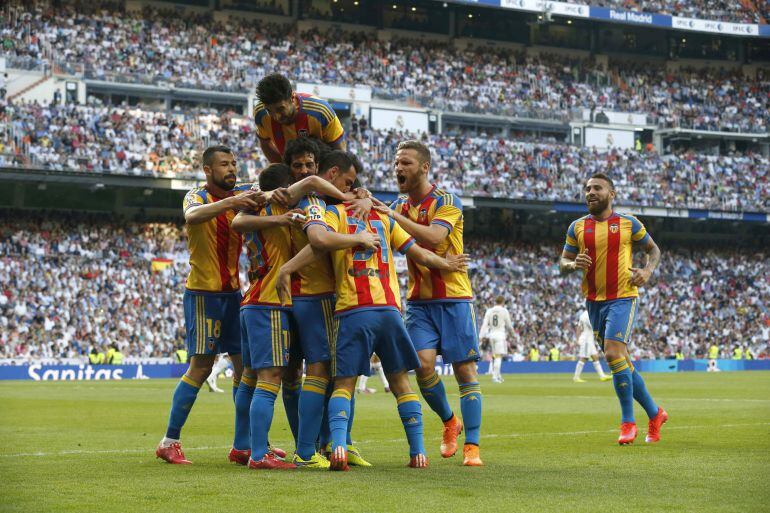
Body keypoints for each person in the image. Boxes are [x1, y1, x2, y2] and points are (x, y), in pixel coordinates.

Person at [279, 177, 469, 471]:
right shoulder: (382, 217)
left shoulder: (333, 214)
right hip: (390, 310)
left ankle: (339, 446)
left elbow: (318, 245)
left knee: (344, 384)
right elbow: (418, 253)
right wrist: (447, 264)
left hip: (353, 310)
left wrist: (288, 268)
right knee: (401, 382)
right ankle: (418, 452)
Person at [231, 162, 367, 470]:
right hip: (272, 299)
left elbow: (238, 222)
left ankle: (245, 446)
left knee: (251, 377)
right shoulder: (289, 206)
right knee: (276, 377)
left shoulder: (253, 210)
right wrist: (348, 200)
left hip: (251, 297)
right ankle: (266, 453)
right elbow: (312, 186)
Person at [372, 140, 483, 467]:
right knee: (421, 367)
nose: (398, 169)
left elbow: (434, 237)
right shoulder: (400, 205)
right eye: (396, 163)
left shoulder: (447, 200)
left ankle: (472, 446)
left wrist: (390, 214)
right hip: (419, 302)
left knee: (465, 370)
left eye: (405, 163)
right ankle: (450, 421)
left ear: (424, 167)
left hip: (455, 298)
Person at [155, 145, 263, 465]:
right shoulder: (196, 196)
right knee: (201, 367)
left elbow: (282, 188)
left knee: (246, 368)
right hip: (203, 295)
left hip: (233, 294)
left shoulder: (244, 191)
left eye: (234, 163)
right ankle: (169, 441)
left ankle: (242, 445)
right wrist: (234, 202)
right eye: (224, 165)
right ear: (207, 170)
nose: (231, 169)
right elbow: (192, 216)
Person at [560, 172, 668, 445]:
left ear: (612, 194)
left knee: (612, 352)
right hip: (593, 302)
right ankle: (655, 414)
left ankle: (627, 422)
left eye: (597, 188)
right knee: (623, 363)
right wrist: (574, 265)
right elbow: (563, 262)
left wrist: (647, 270)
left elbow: (653, 250)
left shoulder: (628, 223)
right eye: (587, 188)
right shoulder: (576, 227)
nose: (590, 192)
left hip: (623, 296)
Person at [254, 74, 345, 163]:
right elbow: (265, 143)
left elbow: (339, 153)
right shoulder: (261, 114)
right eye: (269, 110)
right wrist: (285, 169)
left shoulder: (321, 111)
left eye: (280, 109)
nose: (276, 116)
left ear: (292, 98)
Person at [479, 296, 513, 384]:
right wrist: (513, 334)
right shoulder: (504, 311)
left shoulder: (489, 311)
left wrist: (481, 336)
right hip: (500, 335)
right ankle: (494, 377)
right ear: (503, 302)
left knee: (495, 356)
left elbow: (484, 324)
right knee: (498, 357)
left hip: (492, 335)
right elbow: (509, 325)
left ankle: (498, 375)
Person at [573, 309, 612, 383]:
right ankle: (576, 377)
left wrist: (578, 338)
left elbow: (578, 327)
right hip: (587, 339)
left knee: (595, 357)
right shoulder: (587, 315)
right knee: (584, 358)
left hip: (589, 339)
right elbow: (593, 326)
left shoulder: (583, 315)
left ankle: (602, 376)